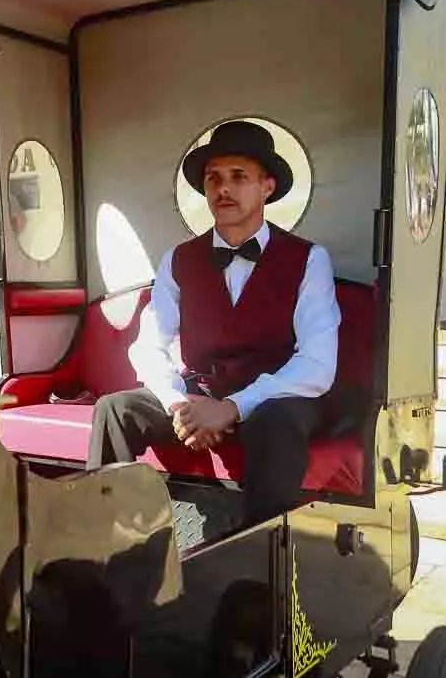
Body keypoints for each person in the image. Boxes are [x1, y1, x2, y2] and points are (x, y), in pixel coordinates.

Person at [86, 120, 340, 525]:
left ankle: (261, 563)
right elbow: (148, 346)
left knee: (275, 424)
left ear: (266, 187)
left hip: (277, 397)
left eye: (239, 177)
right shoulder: (179, 259)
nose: (223, 189)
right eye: (214, 179)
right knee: (115, 410)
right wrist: (181, 405)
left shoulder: (309, 259)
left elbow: (318, 364)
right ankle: (107, 542)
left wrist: (232, 409)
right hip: (200, 395)